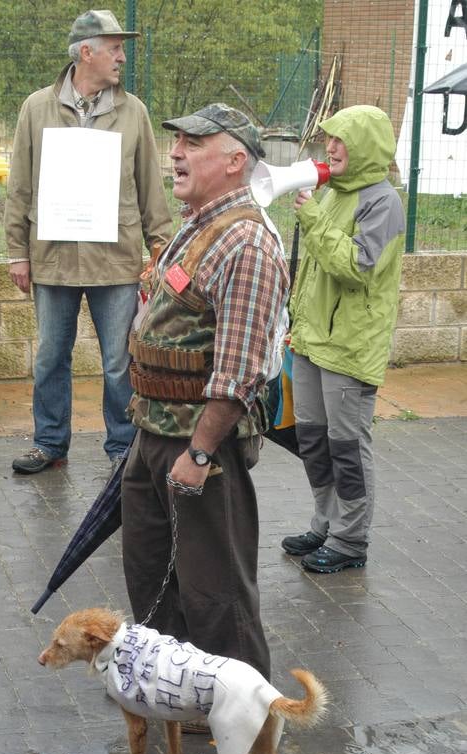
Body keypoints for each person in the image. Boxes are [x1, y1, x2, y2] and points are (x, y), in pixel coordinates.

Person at [121, 103, 289, 688]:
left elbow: (240, 369)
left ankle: (243, 707)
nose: (176, 152)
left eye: (194, 143)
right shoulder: (197, 224)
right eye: (177, 143)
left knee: (215, 586)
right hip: (154, 433)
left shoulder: (247, 243)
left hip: (199, 447)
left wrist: (199, 453)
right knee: (152, 576)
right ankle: (175, 695)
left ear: (236, 160)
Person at [5, 9, 172, 475]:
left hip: (115, 260)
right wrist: (18, 252)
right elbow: (20, 185)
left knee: (120, 362)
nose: (122, 57)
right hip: (53, 260)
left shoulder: (133, 111)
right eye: (115, 49)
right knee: (50, 358)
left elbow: (149, 188)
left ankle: (123, 450)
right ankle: (50, 444)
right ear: (86, 52)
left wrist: (161, 249)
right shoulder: (36, 108)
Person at [282, 105, 405, 573]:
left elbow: (357, 266)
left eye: (340, 141)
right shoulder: (331, 192)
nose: (329, 148)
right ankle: (326, 524)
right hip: (315, 342)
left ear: (366, 148)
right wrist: (298, 322)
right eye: (328, 139)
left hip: (351, 348)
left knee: (347, 447)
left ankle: (351, 541)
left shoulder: (383, 202)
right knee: (313, 439)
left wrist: (312, 219)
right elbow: (314, 269)